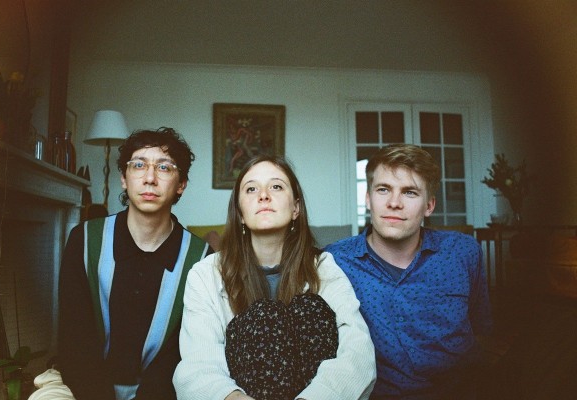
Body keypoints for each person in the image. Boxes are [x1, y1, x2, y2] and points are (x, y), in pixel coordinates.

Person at [173, 155, 376, 400]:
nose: (263, 195)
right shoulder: (205, 274)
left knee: (310, 308)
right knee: (262, 317)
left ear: (296, 208)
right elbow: (197, 364)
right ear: (240, 213)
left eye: (276, 186)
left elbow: (358, 351)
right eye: (251, 189)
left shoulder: (323, 267)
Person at [54, 127, 213, 400]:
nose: (150, 178)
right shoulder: (85, 240)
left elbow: (183, 354)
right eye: (138, 165)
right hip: (86, 389)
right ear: (124, 179)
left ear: (181, 184)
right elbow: (74, 339)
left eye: (164, 167)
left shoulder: (201, 259)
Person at [325, 144, 492, 399]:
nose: (394, 203)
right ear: (368, 199)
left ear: (429, 205)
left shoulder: (463, 252)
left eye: (410, 192)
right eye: (383, 190)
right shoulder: (335, 260)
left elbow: (481, 327)